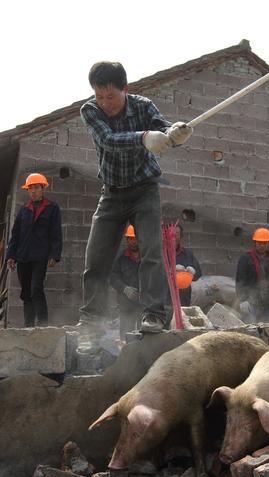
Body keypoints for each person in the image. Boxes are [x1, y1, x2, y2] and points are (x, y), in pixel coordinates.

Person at [77, 61, 193, 335]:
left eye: (111, 96)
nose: (106, 102)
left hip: (144, 190)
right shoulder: (90, 110)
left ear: (125, 89)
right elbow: (107, 140)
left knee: (152, 253)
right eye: (100, 96)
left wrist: (176, 133)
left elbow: (163, 130)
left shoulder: (143, 106)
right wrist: (143, 138)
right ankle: (91, 320)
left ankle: (153, 314)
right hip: (112, 194)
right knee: (96, 259)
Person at [7, 173, 62, 327]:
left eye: (36, 187)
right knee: (26, 292)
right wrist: (10, 256)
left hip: (40, 256)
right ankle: (29, 325)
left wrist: (55, 254)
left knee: (36, 288)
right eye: (30, 188)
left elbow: (56, 233)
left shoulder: (52, 208)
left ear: (43, 188)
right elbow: (15, 234)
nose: (33, 191)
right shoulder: (24, 210)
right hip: (23, 256)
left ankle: (43, 322)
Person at [235, 227, 269, 323]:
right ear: (255, 243)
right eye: (259, 243)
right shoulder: (246, 258)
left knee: (266, 331)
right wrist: (242, 300)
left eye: (264, 243)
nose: (262, 245)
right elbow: (240, 281)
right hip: (251, 303)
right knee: (251, 331)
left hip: (268, 304)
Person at [109, 225, 143, 340]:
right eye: (131, 239)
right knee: (125, 336)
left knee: (143, 336)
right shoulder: (120, 257)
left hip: (144, 304)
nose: (133, 242)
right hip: (126, 304)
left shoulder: (148, 257)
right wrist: (125, 289)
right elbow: (112, 277)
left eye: (136, 239)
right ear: (127, 240)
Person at [174, 224, 202, 307]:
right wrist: (171, 271)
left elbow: (199, 273)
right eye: (171, 234)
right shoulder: (161, 254)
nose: (173, 237)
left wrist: (193, 272)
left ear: (180, 236)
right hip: (165, 297)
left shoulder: (188, 253)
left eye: (176, 234)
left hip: (183, 297)